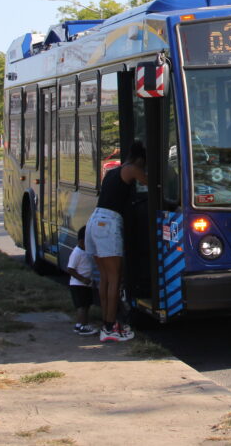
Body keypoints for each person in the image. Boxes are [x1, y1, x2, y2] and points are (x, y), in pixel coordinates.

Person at [86, 140, 146, 343]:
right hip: (108, 223)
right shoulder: (131, 169)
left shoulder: (114, 172)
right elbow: (153, 183)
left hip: (94, 221)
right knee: (115, 278)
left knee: (104, 277)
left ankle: (106, 321)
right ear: (139, 159)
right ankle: (110, 327)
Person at [66, 226, 96, 336]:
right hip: (78, 285)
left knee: (86, 305)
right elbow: (70, 269)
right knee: (82, 306)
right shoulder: (76, 253)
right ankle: (84, 326)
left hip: (86, 285)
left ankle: (79, 324)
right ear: (81, 241)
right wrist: (82, 279)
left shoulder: (85, 251)